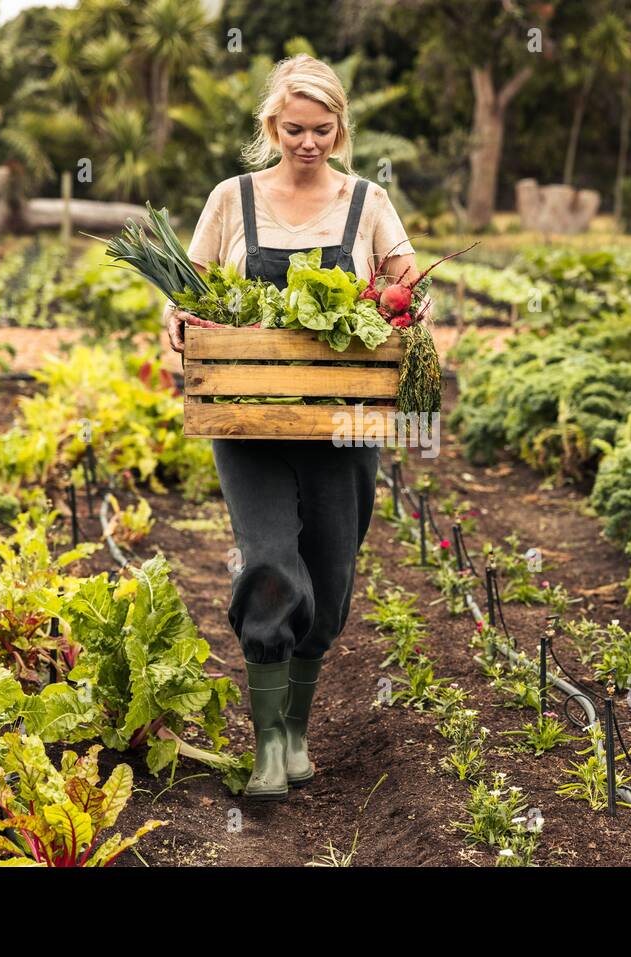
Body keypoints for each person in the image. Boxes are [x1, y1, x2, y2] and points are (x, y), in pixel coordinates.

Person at [163, 54, 427, 801]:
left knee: (334, 578)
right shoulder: (231, 199)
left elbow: (405, 282)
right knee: (271, 562)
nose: (307, 142)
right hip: (249, 419)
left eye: (320, 129)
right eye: (292, 129)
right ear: (270, 127)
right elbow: (183, 301)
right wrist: (179, 324)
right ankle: (268, 745)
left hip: (344, 423)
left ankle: (299, 729)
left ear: (340, 128)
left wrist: (413, 305)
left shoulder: (368, 202)